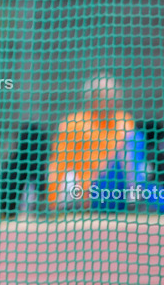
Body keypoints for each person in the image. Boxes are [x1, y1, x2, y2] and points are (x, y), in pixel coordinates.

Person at [47, 74, 164, 212]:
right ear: (94, 97)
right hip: (92, 189)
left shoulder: (123, 120)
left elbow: (137, 160)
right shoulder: (74, 123)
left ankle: (138, 195)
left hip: (124, 187)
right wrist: (55, 199)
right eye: (106, 96)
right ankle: (136, 195)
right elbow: (59, 164)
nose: (112, 101)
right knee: (130, 141)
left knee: (158, 196)